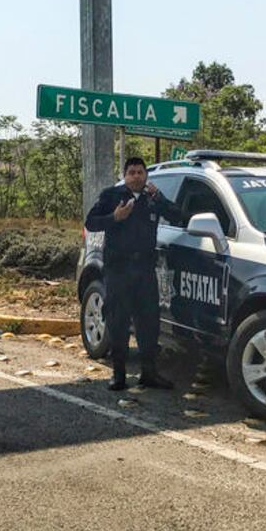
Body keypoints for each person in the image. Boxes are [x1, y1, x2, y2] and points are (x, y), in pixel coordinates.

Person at [85, 157, 185, 392]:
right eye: (131, 172)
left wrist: (160, 198)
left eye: (140, 172)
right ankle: (118, 375)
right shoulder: (111, 195)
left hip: (144, 271)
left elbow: (178, 215)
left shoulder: (152, 198)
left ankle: (149, 373)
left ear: (145, 176)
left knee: (149, 323)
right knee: (118, 323)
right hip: (118, 270)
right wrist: (114, 218)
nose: (136, 176)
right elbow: (91, 222)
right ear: (125, 175)